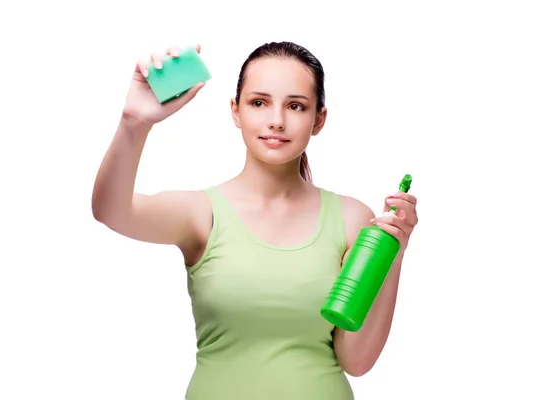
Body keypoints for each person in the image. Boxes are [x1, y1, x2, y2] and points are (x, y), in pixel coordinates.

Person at [92, 41, 419, 400]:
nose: (276, 120)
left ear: (318, 119)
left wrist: (393, 253)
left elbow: (356, 360)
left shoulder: (352, 218)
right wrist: (134, 122)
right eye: (259, 102)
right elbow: (110, 210)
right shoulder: (202, 214)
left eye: (296, 106)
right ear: (236, 111)